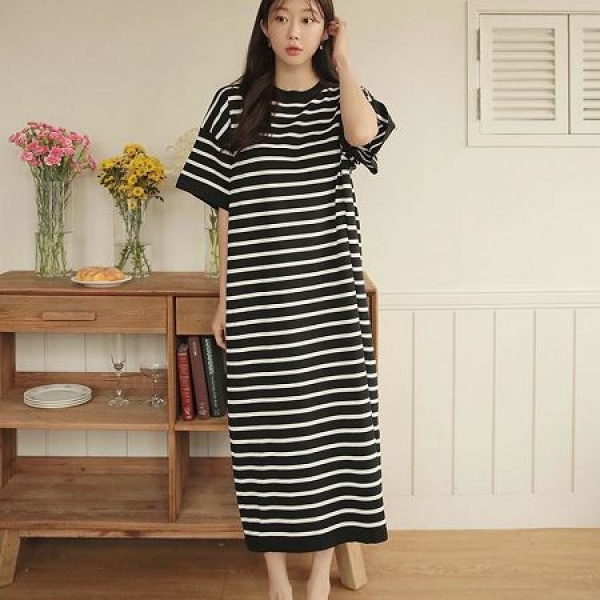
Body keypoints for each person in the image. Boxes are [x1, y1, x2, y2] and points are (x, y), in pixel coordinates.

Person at [176, 1, 395, 598]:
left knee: (330, 430)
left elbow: (363, 135)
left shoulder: (343, 97)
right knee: (264, 436)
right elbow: (225, 210)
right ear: (264, 27)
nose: (293, 31)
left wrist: (343, 62)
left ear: (326, 29)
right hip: (259, 296)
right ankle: (276, 576)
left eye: (308, 18)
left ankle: (321, 572)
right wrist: (224, 298)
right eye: (281, 17)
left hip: (328, 296)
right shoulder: (233, 102)